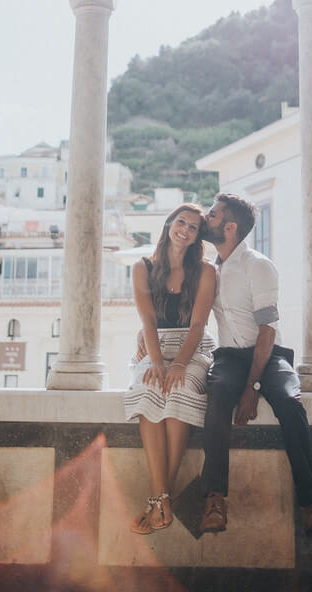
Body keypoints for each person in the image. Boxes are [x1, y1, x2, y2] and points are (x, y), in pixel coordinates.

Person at [198, 192, 312, 537]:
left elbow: (266, 332)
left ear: (229, 227)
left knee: (289, 403)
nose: (204, 218)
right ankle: (215, 501)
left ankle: (310, 505)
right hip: (228, 356)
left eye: (211, 215)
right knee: (216, 399)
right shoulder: (210, 272)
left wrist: (252, 389)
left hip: (267, 355)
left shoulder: (258, 266)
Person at [125, 203, 216, 534]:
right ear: (168, 224)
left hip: (192, 348)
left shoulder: (206, 271)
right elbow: (148, 319)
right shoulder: (142, 268)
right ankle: (164, 500)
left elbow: (198, 325)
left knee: (178, 387)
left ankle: (157, 499)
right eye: (181, 222)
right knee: (149, 386)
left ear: (197, 237)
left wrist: (178, 364)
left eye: (194, 228)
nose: (186, 230)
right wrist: (158, 361)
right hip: (155, 345)